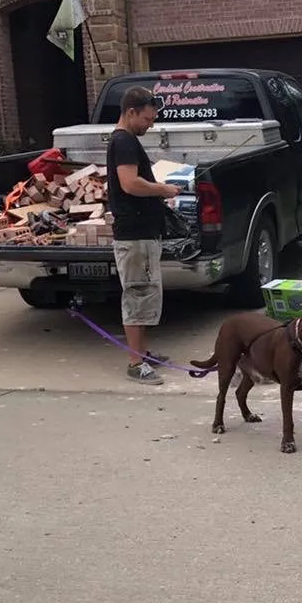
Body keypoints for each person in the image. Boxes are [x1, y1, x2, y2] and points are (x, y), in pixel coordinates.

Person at [106, 86, 180, 384]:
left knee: (146, 293)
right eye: (147, 119)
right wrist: (162, 189)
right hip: (134, 235)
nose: (151, 125)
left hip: (143, 233)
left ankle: (144, 352)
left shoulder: (126, 140)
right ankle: (136, 363)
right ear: (131, 112)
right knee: (138, 294)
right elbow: (129, 184)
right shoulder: (123, 141)